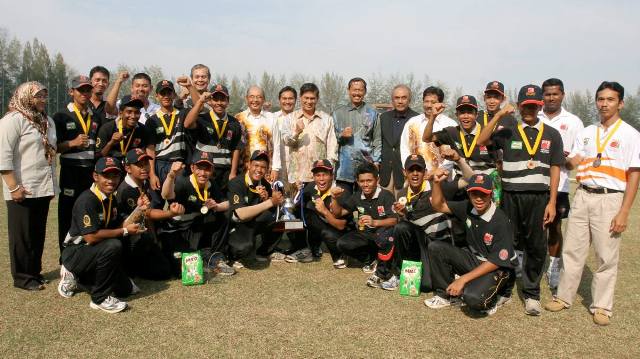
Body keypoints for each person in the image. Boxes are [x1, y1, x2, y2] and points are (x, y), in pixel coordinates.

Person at [545, 81, 640, 326]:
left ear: (621, 103)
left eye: (610, 99)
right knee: (573, 250)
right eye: (600, 99)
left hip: (610, 198)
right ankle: (564, 297)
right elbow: (574, 160)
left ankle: (602, 306)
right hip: (583, 194)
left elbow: (634, 175)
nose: (604, 104)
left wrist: (624, 212)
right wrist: (554, 157)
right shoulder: (587, 132)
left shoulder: (630, 135)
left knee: (605, 256)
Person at [478, 84, 565, 315]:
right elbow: (481, 140)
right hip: (511, 196)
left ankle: (531, 294)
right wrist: (498, 115)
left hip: (539, 198)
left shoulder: (552, 134)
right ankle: (505, 290)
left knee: (536, 246)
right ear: (518, 106)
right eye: (525, 106)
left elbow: (555, 169)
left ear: (540, 106)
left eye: (534, 106)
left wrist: (552, 202)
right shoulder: (507, 131)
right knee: (507, 245)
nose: (529, 110)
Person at [57, 157, 142, 313]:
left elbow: (118, 227)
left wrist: (139, 210)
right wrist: (124, 231)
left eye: (115, 176)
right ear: (96, 177)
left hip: (95, 250)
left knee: (126, 289)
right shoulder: (87, 200)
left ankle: (81, 278)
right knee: (114, 244)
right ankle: (99, 298)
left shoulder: (111, 199)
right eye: (106, 175)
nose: (111, 180)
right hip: (76, 251)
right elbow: (91, 236)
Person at [383, 150, 475, 291]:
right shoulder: (401, 194)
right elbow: (409, 230)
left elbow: (470, 179)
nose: (415, 173)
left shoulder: (437, 186)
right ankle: (402, 273)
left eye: (419, 169)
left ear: (425, 172)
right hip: (421, 244)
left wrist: (459, 160)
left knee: (426, 286)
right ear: (404, 172)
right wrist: (402, 215)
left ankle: (446, 269)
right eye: (411, 170)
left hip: (439, 245)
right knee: (400, 227)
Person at [426, 171, 516, 315]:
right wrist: (436, 183)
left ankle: (502, 294)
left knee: (472, 299)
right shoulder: (468, 207)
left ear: (491, 194)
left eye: (483, 194)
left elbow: (496, 261)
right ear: (469, 194)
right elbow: (439, 206)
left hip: (497, 267)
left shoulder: (501, 221)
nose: (479, 199)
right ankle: (445, 295)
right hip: (476, 259)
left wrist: (463, 279)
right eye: (474, 194)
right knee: (436, 247)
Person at [0, 81, 57, 291]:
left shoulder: (46, 121)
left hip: (42, 187)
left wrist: (51, 186)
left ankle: (35, 272)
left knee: (37, 233)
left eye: (44, 96)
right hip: (21, 188)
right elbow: (3, 156)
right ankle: (23, 278)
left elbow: (50, 152)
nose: (42, 100)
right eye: (37, 96)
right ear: (25, 97)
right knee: (22, 236)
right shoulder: (12, 120)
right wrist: (14, 187)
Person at [537, 78, 584, 289]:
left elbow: (578, 155)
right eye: (547, 94)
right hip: (534, 183)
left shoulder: (573, 121)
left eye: (555, 94)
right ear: (542, 96)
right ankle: (529, 265)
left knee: (555, 227)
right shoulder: (533, 116)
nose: (551, 98)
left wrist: (560, 159)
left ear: (563, 95)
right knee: (531, 227)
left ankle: (554, 268)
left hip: (561, 184)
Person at [161, 150, 235, 275]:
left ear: (212, 171)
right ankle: (202, 254)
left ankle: (215, 257)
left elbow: (228, 203)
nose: (203, 173)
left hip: (195, 227)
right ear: (192, 168)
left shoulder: (211, 185)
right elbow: (166, 194)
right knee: (183, 269)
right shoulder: (183, 182)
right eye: (199, 168)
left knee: (224, 214)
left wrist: (216, 206)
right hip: (177, 231)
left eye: (207, 169)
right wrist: (171, 175)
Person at [116, 148, 186, 279]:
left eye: (146, 164)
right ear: (127, 168)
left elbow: (148, 217)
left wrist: (155, 240)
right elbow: (148, 213)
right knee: (162, 272)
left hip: (144, 234)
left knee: (170, 266)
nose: (144, 168)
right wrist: (170, 213)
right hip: (129, 238)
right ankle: (131, 269)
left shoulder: (144, 183)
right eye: (139, 165)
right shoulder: (126, 189)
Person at [54, 75, 101, 253]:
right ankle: (65, 255)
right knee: (67, 213)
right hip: (70, 172)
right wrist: (72, 143)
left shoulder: (95, 116)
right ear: (71, 91)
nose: (85, 93)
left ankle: (85, 253)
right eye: (81, 90)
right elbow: (53, 147)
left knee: (88, 212)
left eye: (88, 90)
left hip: (89, 172)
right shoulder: (61, 116)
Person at [332, 162, 398, 288]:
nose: (366, 184)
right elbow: (338, 213)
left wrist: (375, 222)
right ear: (357, 181)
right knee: (342, 243)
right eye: (362, 181)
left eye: (369, 180)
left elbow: (395, 220)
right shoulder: (357, 196)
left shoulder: (386, 195)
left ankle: (382, 272)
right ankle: (371, 260)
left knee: (384, 235)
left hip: (385, 236)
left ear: (377, 180)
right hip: (367, 235)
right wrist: (334, 198)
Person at [226, 150, 284, 268]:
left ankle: (265, 250)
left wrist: (267, 200)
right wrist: (269, 202)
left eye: (263, 167)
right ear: (248, 164)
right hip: (237, 225)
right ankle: (232, 252)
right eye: (256, 165)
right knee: (243, 249)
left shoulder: (264, 184)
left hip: (252, 224)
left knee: (281, 216)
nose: (259, 170)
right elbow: (241, 214)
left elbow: (268, 210)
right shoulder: (236, 183)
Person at [183, 84, 243, 192]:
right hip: (205, 171)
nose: (219, 103)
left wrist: (233, 172)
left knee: (223, 204)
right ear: (210, 101)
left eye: (223, 99)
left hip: (225, 171)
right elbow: (187, 124)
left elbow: (236, 148)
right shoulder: (202, 119)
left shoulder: (234, 122)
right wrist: (200, 101)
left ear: (228, 101)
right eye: (215, 99)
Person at [424, 95, 498, 176]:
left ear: (476, 115)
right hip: (462, 182)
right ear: (457, 115)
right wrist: (433, 116)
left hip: (486, 183)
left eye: (470, 112)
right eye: (462, 113)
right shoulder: (452, 132)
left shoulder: (486, 133)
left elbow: (498, 162)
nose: (466, 116)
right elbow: (427, 138)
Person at [332, 77, 380, 195]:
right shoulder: (337, 113)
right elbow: (330, 140)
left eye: (360, 90)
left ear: (365, 92)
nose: (357, 93)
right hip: (343, 170)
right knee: (344, 205)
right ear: (348, 90)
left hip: (366, 169)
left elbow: (377, 140)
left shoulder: (372, 113)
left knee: (364, 206)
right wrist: (341, 135)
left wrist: (376, 162)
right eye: (354, 90)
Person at [295, 159, 348, 266]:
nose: (321, 179)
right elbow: (297, 209)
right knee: (301, 212)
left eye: (324, 175)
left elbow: (342, 226)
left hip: (342, 232)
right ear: (313, 177)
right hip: (324, 225)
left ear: (332, 176)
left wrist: (325, 211)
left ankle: (341, 255)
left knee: (327, 233)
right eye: (318, 175)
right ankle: (308, 248)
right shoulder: (311, 187)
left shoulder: (341, 192)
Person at [145, 80, 187, 208]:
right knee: (156, 203)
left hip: (178, 164)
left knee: (178, 202)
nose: (166, 96)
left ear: (174, 95)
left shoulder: (183, 114)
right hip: (159, 164)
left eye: (169, 93)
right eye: (162, 93)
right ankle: (157, 229)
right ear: (157, 96)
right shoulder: (152, 120)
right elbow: (150, 149)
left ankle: (178, 227)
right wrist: (152, 174)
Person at [376, 85, 419, 197]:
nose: (400, 101)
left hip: (406, 171)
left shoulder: (417, 119)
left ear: (409, 99)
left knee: (403, 206)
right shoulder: (383, 118)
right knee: (385, 206)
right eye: (397, 98)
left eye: (404, 98)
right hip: (385, 171)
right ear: (392, 100)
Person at [401, 86, 457, 174]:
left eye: (433, 102)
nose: (429, 105)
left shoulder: (450, 125)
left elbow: (455, 152)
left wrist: (440, 171)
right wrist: (409, 169)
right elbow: (404, 148)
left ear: (441, 103)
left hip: (443, 176)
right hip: (416, 175)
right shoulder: (412, 123)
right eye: (426, 101)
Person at [96, 96, 149, 160]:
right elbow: (99, 156)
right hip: (111, 165)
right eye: (129, 112)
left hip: (131, 165)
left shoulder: (143, 129)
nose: (133, 116)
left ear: (140, 114)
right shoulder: (107, 128)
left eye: (136, 112)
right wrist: (111, 143)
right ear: (121, 113)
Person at [235, 86, 274, 170]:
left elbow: (276, 145)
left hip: (265, 168)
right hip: (244, 168)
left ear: (263, 100)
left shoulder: (271, 118)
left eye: (259, 97)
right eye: (252, 97)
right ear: (246, 99)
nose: (255, 100)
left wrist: (275, 168)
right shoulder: (238, 118)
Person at [271, 86, 298, 183]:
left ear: (295, 100)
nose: (287, 101)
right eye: (284, 98)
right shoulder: (272, 118)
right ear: (279, 100)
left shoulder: (300, 118)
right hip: (277, 167)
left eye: (290, 98)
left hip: (295, 167)